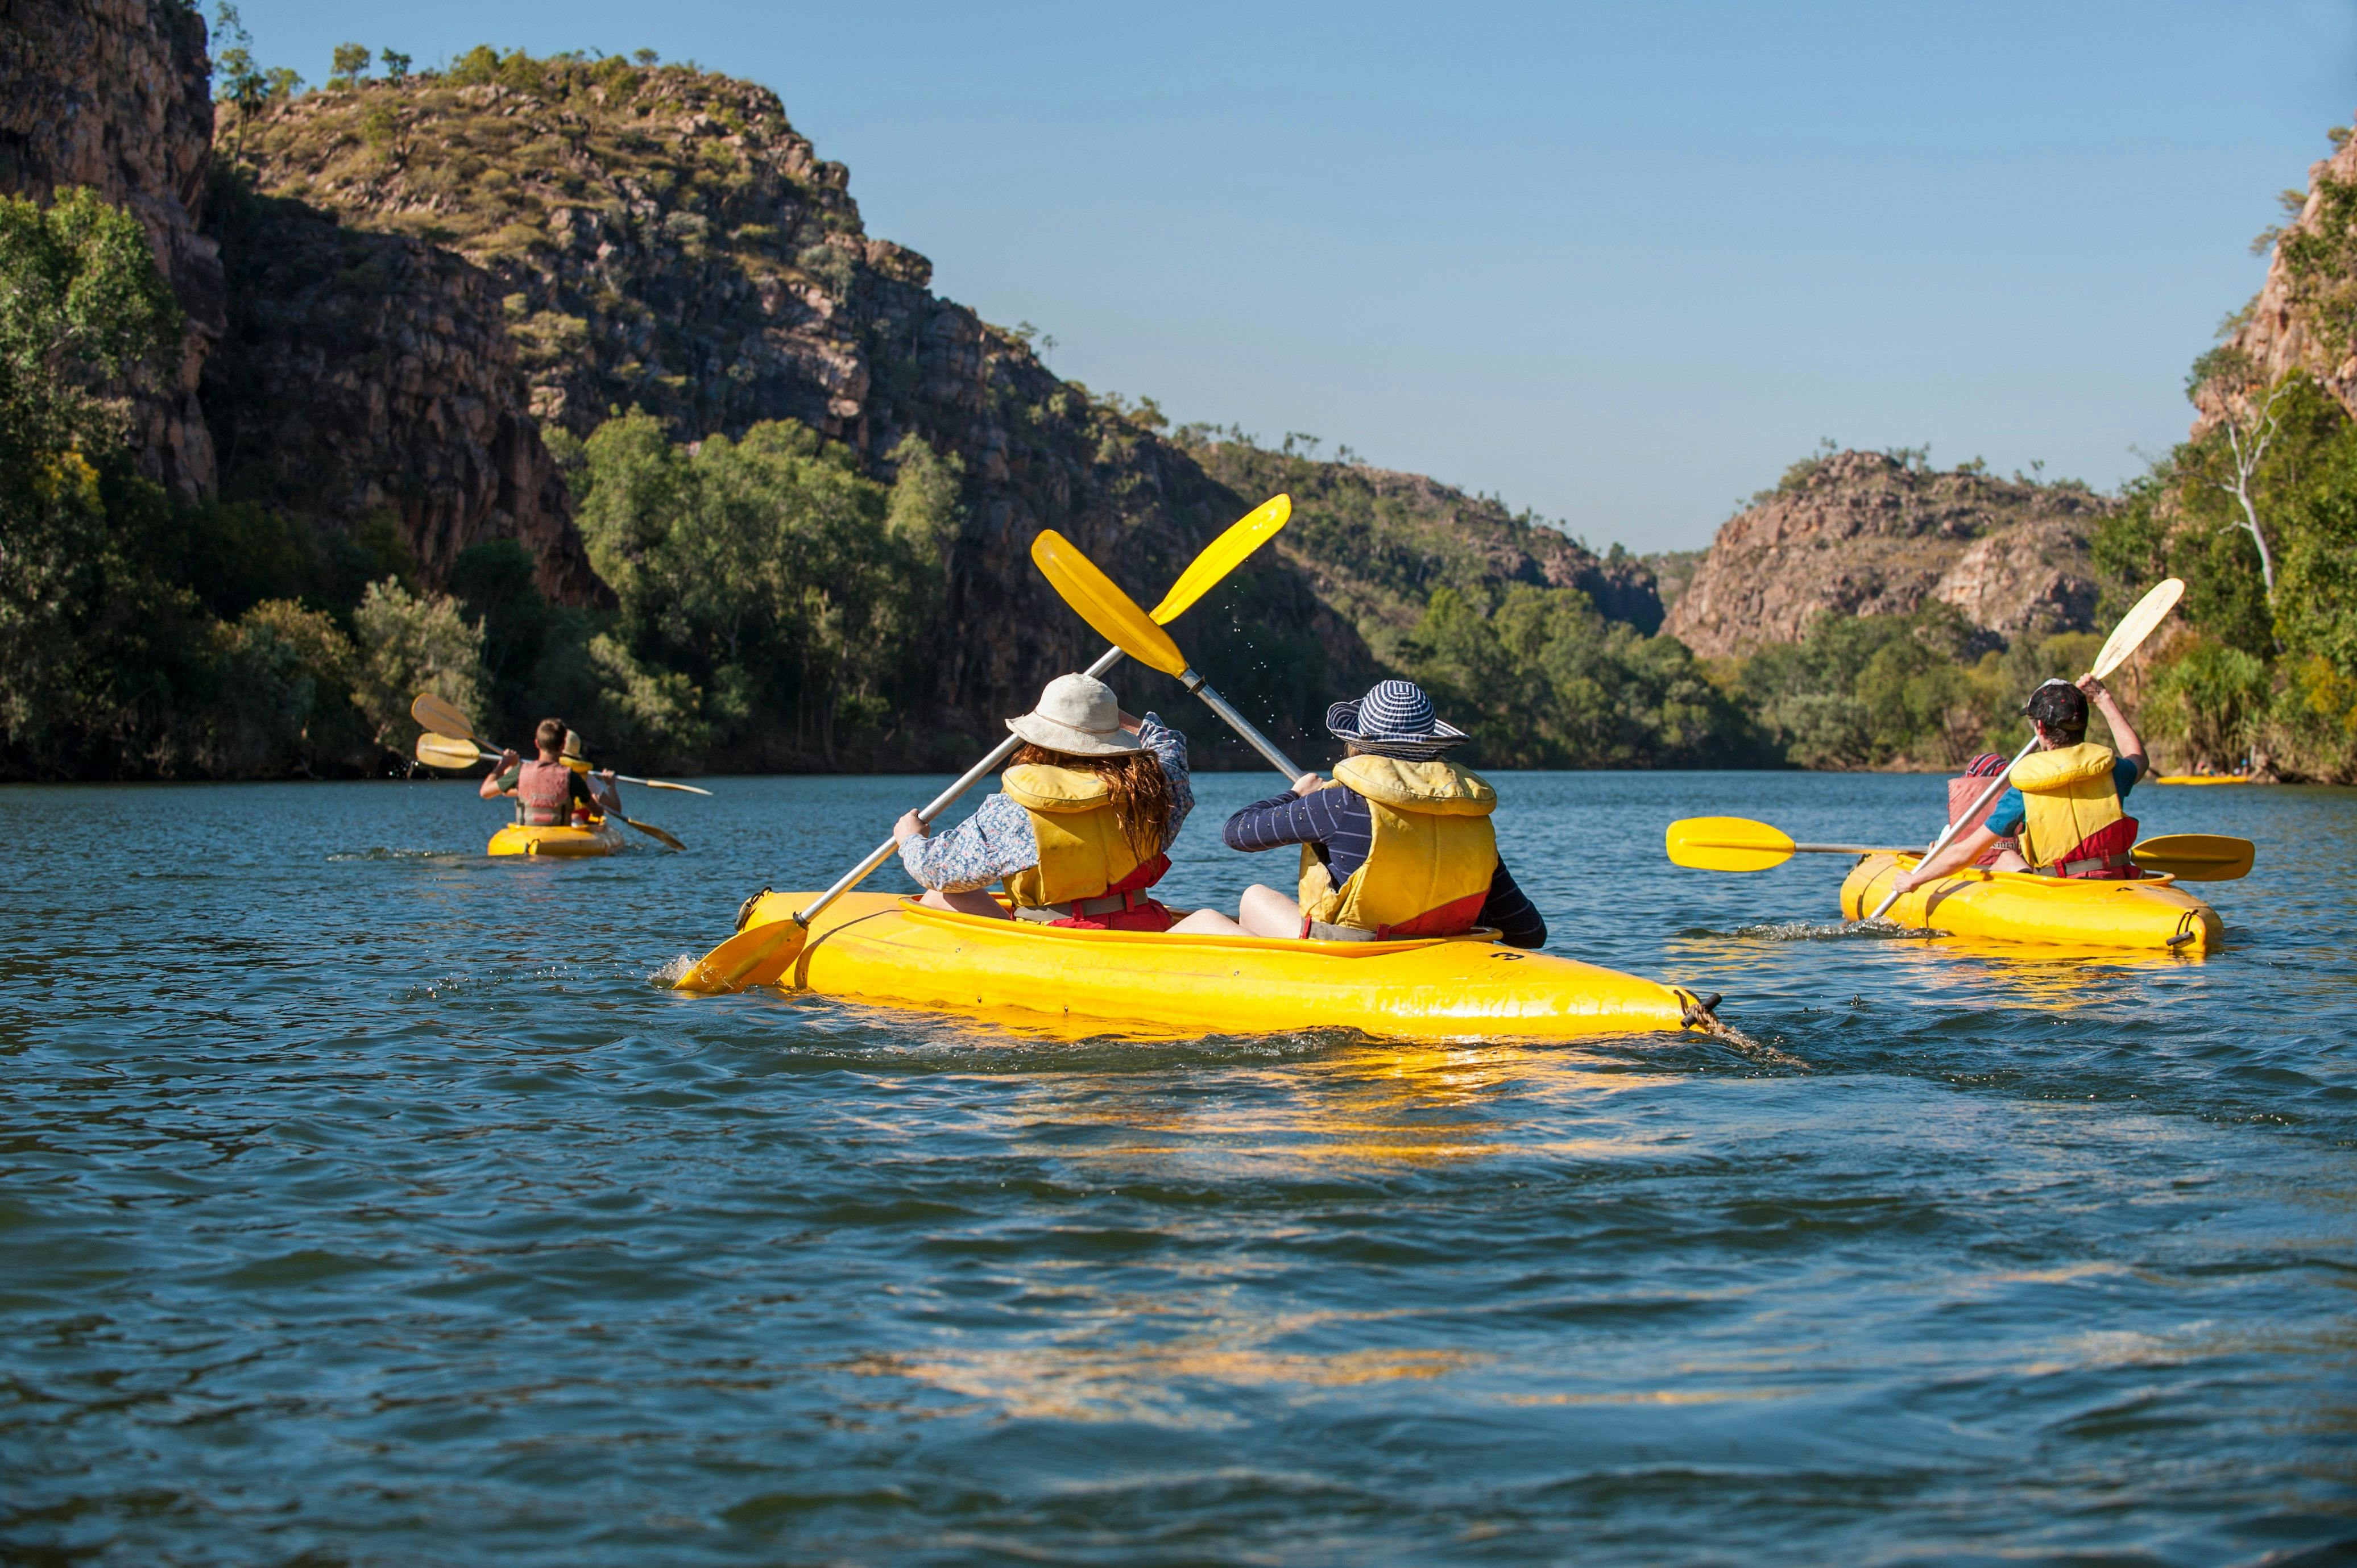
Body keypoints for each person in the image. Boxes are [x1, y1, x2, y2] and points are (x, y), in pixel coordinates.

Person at [1168, 679, 1546, 948]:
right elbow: (1529, 933)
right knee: (1255, 903)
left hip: (1353, 955)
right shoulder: (1470, 818)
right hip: (1439, 954)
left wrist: (1295, 795)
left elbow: (1236, 833)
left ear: (1359, 745)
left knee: (1236, 906)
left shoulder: (1339, 803)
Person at [894, 673, 1192, 931]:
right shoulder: (1154, 787)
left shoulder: (1015, 810)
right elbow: (1168, 742)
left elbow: (937, 872)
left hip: (1060, 937)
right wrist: (1098, 709)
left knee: (941, 895)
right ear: (1114, 734)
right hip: (1144, 924)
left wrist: (910, 839)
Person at [1893, 674, 2148, 893]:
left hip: (2060, 889)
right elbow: (2138, 758)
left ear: (2040, 728)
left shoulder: (2025, 789)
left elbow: (1966, 852)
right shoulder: (2111, 771)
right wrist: (2104, 699)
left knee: (2005, 857)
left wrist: (1914, 880)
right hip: (2115, 882)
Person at [483, 719, 623, 826]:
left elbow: (485, 792)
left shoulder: (520, 772)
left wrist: (504, 764)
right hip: (560, 838)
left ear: (537, 743)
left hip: (529, 835)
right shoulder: (572, 777)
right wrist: (600, 798)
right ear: (562, 746)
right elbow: (598, 813)